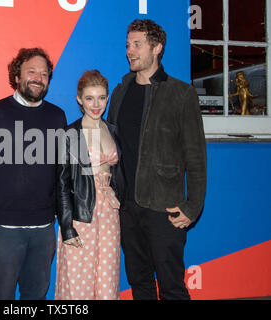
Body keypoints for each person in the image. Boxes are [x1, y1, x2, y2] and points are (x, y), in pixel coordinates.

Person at [107, 19, 207, 300]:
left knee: (172, 288)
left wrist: (193, 206)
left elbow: (196, 157)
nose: (130, 50)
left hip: (165, 208)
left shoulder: (181, 93)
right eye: (128, 44)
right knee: (140, 285)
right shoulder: (120, 91)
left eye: (137, 44)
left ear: (157, 48)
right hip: (126, 208)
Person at [0, 48, 67, 300]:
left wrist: (61, 214)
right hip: (3, 228)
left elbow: (61, 172)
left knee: (36, 295)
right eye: (31, 72)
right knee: (1, 295)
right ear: (16, 76)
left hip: (44, 228)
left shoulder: (57, 117)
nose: (38, 78)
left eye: (44, 74)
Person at [55, 70, 122, 300]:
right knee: (78, 283)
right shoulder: (70, 134)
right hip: (81, 213)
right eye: (90, 98)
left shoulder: (110, 129)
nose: (96, 104)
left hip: (110, 212)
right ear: (79, 99)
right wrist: (66, 227)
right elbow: (61, 184)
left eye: (102, 98)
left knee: (107, 279)